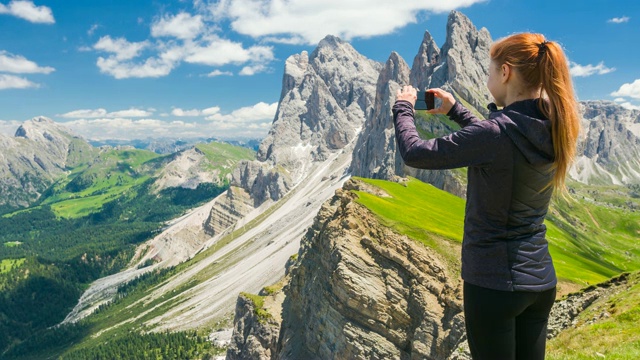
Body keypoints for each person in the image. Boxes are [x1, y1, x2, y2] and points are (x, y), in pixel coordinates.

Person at [393, 33, 580, 360]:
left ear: (506, 72)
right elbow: (500, 139)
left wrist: (403, 108)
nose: (487, 78)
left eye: (490, 71)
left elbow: (415, 153)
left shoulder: (496, 134)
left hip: (494, 283)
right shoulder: (555, 124)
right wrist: (457, 112)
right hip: (540, 282)